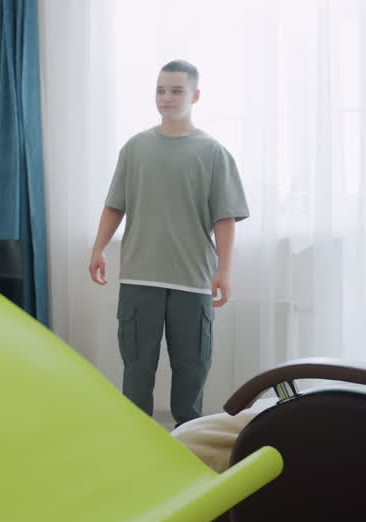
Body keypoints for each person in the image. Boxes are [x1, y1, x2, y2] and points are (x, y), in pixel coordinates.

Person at [88, 60, 248, 427]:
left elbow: (225, 219)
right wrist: (98, 250)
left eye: (176, 90)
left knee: (191, 370)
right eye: (160, 90)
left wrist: (224, 271)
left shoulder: (213, 152)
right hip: (140, 277)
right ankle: (137, 442)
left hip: (192, 280)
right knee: (137, 368)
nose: (167, 97)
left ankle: (188, 442)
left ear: (195, 95)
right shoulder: (135, 148)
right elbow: (115, 205)